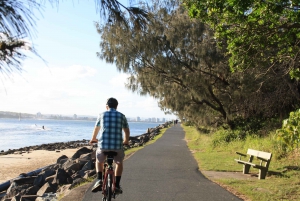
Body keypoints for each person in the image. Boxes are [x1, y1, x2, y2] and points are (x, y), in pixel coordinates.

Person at [89, 97, 130, 194]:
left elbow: (96, 129)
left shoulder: (101, 115)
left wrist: (93, 139)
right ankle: (117, 185)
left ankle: (99, 180)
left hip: (103, 146)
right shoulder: (122, 116)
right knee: (119, 163)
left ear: (106, 106)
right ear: (117, 106)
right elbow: (126, 131)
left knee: (99, 161)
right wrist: (126, 141)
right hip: (117, 147)